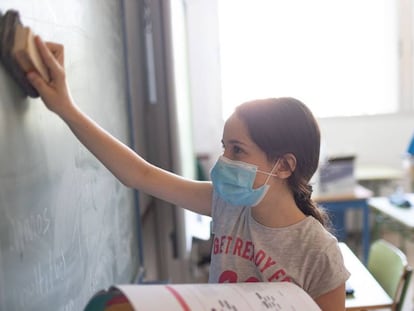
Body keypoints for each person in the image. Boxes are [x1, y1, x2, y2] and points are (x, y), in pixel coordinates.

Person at [27, 36, 350, 310]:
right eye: (224, 146)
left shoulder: (318, 252)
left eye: (237, 150)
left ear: (284, 165)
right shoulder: (227, 205)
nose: (223, 160)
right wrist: (65, 107)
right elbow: (139, 175)